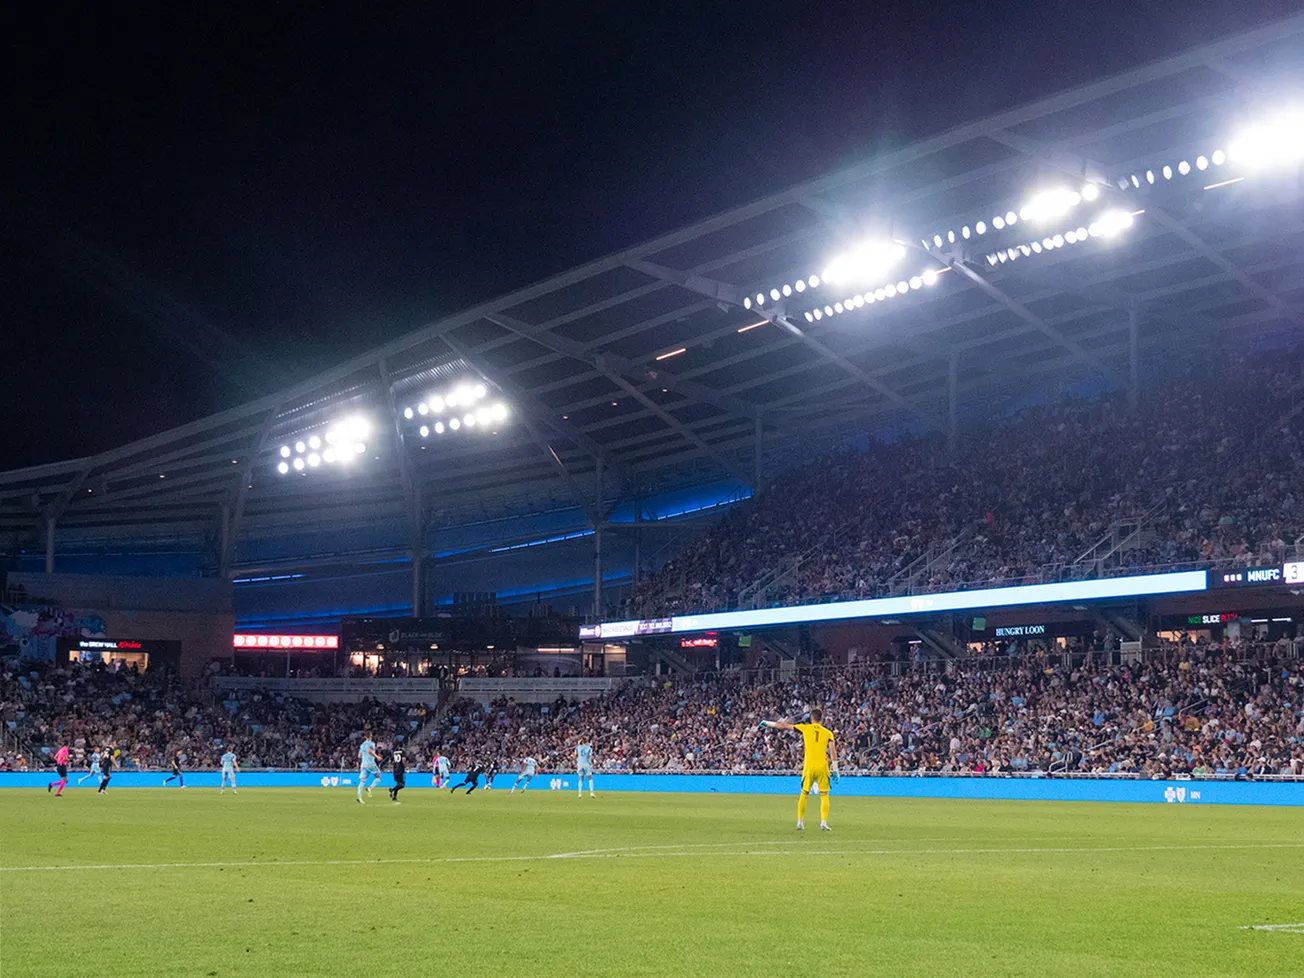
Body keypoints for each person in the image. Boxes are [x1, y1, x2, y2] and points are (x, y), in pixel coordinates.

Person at [760, 707, 839, 831]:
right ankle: (823, 823)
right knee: (824, 795)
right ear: (821, 719)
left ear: (811, 718)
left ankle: (800, 822)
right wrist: (835, 770)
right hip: (823, 767)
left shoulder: (805, 728)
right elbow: (833, 752)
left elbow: (784, 725)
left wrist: (768, 723)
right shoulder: (828, 733)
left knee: (804, 794)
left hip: (809, 766)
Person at [357, 733, 382, 804]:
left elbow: (359, 756)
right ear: (371, 737)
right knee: (378, 777)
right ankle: (369, 788)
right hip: (370, 764)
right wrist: (377, 757)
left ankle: (359, 797)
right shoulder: (371, 743)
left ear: (365, 737)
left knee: (362, 781)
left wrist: (365, 757)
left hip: (363, 764)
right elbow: (369, 751)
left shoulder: (362, 745)